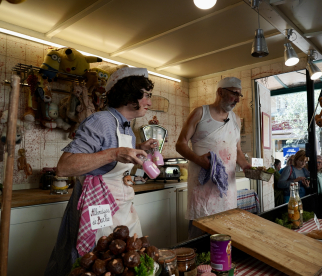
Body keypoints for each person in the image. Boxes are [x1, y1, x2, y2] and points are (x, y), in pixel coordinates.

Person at [45, 67, 159, 276]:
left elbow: (111, 157)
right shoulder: (101, 120)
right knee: (97, 262)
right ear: (129, 93)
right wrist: (115, 153)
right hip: (98, 208)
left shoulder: (125, 126)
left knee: (126, 262)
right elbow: (65, 166)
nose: (149, 102)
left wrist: (139, 149)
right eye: (146, 95)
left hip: (121, 205)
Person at [176, 77, 251, 239]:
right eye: (234, 94)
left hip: (226, 190)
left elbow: (237, 150)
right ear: (220, 92)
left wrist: (246, 166)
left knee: (226, 237)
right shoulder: (200, 113)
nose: (237, 99)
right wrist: (198, 160)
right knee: (199, 238)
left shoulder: (236, 120)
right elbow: (180, 144)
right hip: (202, 188)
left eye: (240, 95)